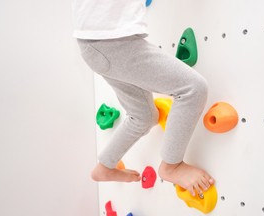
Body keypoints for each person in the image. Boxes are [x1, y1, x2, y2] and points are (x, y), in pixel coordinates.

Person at [72, 0, 215, 196]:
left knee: (143, 116)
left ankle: (105, 165)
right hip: (112, 41)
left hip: (97, 45)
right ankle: (171, 166)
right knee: (193, 88)